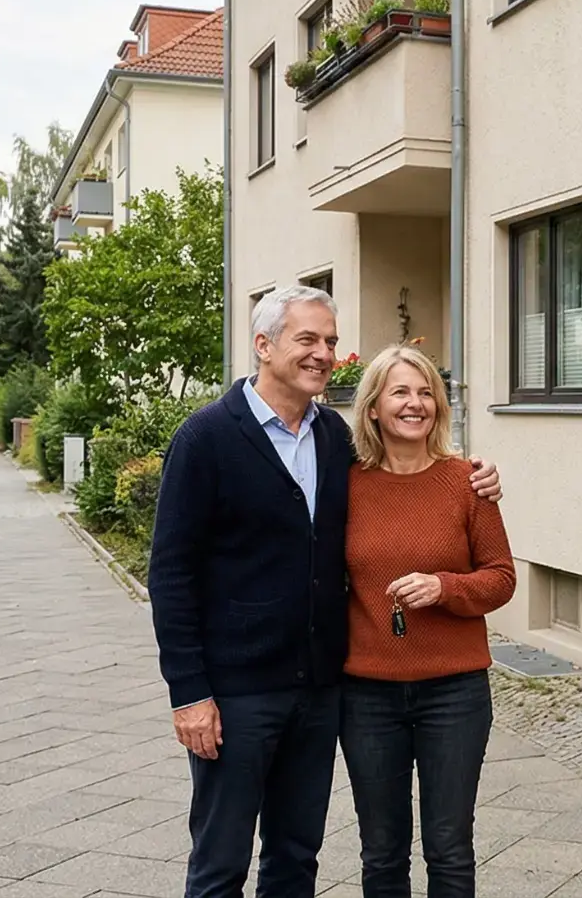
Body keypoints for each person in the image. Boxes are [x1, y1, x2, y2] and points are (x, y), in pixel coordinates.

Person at [148, 287, 502, 898]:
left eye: (331, 342)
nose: (322, 354)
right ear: (264, 345)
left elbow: (403, 495)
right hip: (237, 693)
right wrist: (189, 694)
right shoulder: (206, 437)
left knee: (295, 857)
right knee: (221, 860)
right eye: (306, 339)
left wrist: (478, 480)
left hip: (318, 690)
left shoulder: (332, 441)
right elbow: (171, 574)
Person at [339, 344, 515, 898]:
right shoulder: (345, 486)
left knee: (450, 847)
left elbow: (502, 577)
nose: (415, 404)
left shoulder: (468, 483)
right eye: (400, 392)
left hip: (454, 693)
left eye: (425, 394)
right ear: (373, 408)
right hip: (366, 694)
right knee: (382, 852)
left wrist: (446, 587)